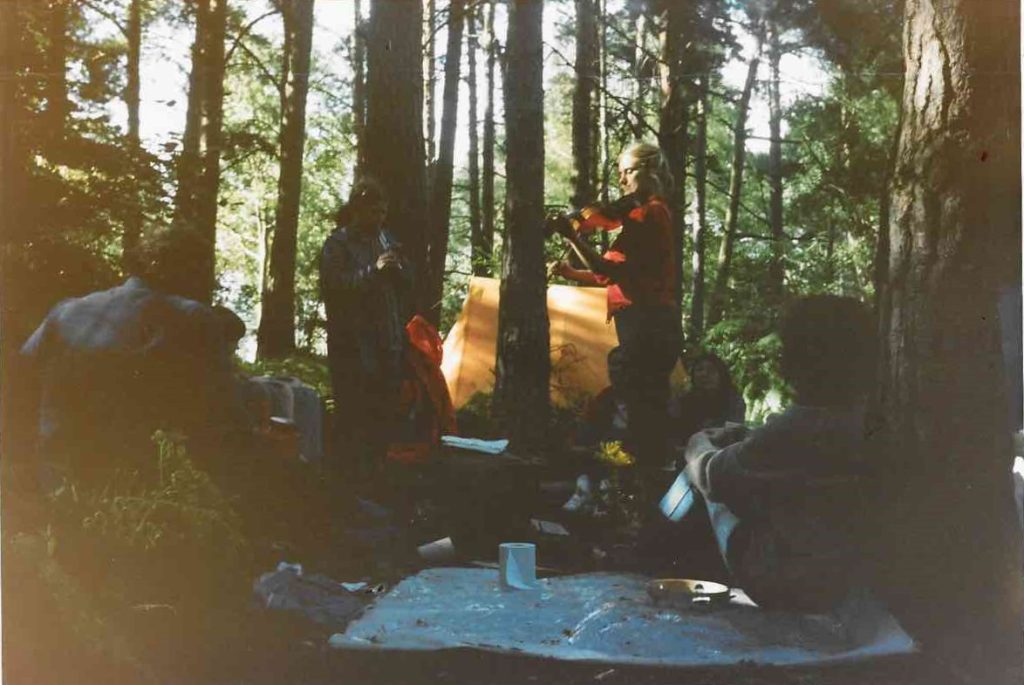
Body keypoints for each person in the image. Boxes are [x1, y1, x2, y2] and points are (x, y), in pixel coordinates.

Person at [680, 295, 878, 612]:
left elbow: (710, 475)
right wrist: (748, 438)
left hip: (788, 579)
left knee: (703, 488)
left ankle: (674, 566)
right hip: (847, 567)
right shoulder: (871, 416)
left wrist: (698, 442)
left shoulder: (804, 422)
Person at [16, 229, 247, 490]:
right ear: (191, 272)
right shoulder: (193, 319)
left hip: (54, 478)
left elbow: (18, 381)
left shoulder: (66, 310)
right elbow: (226, 416)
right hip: (139, 491)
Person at [551, 142, 682, 479]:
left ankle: (637, 485)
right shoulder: (643, 215)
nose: (622, 181)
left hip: (649, 324)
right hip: (649, 323)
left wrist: (573, 238)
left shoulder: (649, 214)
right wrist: (571, 273)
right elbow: (609, 275)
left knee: (638, 407)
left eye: (628, 171)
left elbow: (610, 271)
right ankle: (642, 481)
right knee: (642, 406)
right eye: (620, 172)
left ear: (648, 171)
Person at [319, 178, 412, 491]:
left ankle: (378, 483)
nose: (380, 218)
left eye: (383, 212)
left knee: (384, 418)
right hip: (354, 349)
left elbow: (406, 289)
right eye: (374, 212)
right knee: (354, 419)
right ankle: (349, 489)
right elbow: (336, 288)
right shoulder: (338, 244)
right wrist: (375, 270)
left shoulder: (386, 239)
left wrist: (401, 270)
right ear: (357, 210)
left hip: (389, 344)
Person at [669, 352, 745, 451]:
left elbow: (733, 433)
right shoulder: (683, 401)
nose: (704, 374)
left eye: (711, 370)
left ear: (721, 375)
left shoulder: (734, 401)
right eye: (699, 369)